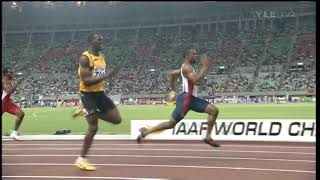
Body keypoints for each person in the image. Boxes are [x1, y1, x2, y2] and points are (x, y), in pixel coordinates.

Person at [137, 48, 220, 147]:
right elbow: (196, 81)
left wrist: (173, 90)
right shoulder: (187, 68)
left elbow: (172, 74)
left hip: (189, 99)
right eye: (193, 54)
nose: (195, 56)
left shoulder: (185, 68)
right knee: (213, 110)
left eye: (195, 54)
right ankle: (208, 137)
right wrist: (205, 67)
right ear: (187, 56)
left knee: (171, 124)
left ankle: (146, 131)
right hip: (187, 99)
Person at [74, 32, 122, 171]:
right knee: (93, 128)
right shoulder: (85, 58)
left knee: (116, 119)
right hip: (87, 95)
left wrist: (109, 77)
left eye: (102, 38)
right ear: (91, 41)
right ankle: (81, 159)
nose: (102, 40)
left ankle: (88, 112)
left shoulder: (101, 57)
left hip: (99, 93)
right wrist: (107, 76)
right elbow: (87, 81)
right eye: (98, 39)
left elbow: (99, 75)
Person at [2, 67, 25, 140]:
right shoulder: (4, 80)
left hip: (8, 103)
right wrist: (17, 84)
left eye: (12, 72)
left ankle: (14, 133)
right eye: (10, 72)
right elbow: (9, 91)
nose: (12, 73)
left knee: (21, 114)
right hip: (2, 102)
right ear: (5, 73)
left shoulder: (9, 80)